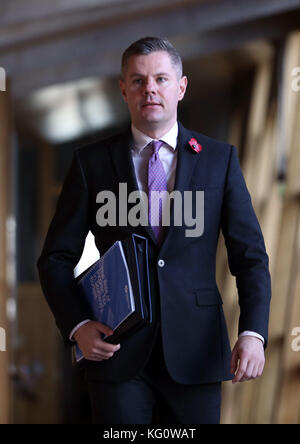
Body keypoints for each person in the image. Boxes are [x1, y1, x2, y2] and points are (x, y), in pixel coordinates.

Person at [37, 36, 271, 424]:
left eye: (161, 79)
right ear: (123, 89)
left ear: (181, 87)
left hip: (197, 352)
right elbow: (55, 259)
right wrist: (76, 325)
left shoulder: (219, 160)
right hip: (115, 351)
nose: (150, 89)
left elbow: (250, 257)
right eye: (138, 80)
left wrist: (253, 333)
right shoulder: (90, 164)